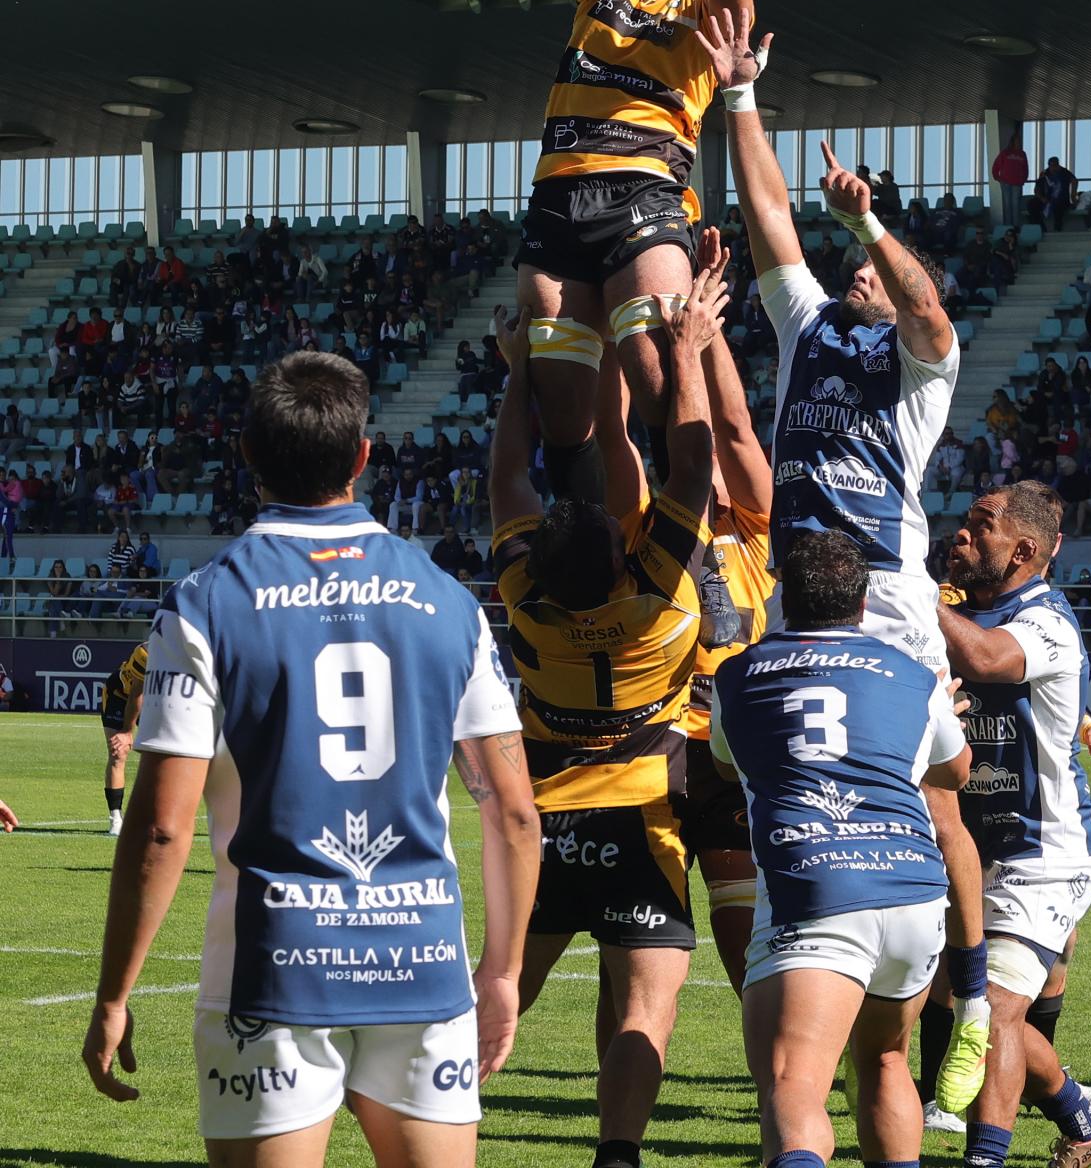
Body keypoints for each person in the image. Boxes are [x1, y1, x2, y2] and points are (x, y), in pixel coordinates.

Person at [82, 351, 540, 1166]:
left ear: (248, 457)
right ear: (364, 457)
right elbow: (510, 810)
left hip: (272, 970)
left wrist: (116, 991)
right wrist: (500, 972)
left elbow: (160, 830)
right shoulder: (448, 602)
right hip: (421, 963)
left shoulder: (205, 603)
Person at [698, 5, 990, 1115]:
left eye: (877, 274)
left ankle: (965, 1002)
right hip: (801, 596)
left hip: (889, 600)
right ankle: (815, 950)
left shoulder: (923, 370)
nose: (865, 280)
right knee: (794, 779)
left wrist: (872, 228)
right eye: (859, 268)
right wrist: (741, 98)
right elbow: (771, 216)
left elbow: (927, 305)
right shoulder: (810, 325)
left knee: (938, 803)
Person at [489, 260, 723, 1168]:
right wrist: (689, 351)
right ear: (621, 558)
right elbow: (695, 461)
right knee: (643, 1006)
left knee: (502, 986)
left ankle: (419, 1115)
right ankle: (617, 1156)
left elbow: (511, 473)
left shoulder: (525, 601)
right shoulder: (656, 601)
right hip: (641, 819)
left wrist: (519, 372)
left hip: (545, 829)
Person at [511, 0, 755, 506]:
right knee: (561, 410)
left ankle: (699, 543)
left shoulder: (709, 5)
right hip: (557, 195)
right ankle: (592, 545)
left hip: (643, 193)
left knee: (657, 374)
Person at [711, 529, 970, 1168]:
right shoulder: (914, 675)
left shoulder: (737, 675)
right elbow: (957, 772)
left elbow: (724, 763)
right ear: (861, 603)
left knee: (795, 1082)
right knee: (885, 1060)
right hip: (914, 890)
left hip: (816, 889)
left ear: (781, 596)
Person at [596, 236, 775, 1000]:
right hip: (662, 747)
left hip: (736, 750)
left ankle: (783, 1063)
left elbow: (730, 430)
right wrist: (611, 340)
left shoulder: (759, 525)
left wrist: (703, 338)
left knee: (743, 942)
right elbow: (617, 441)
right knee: (636, 956)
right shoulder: (645, 524)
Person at [936, 484, 1091, 1168]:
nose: (960, 535)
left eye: (979, 528)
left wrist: (909, 596)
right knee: (971, 1005)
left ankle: (984, 1159)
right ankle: (1084, 1121)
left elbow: (986, 661)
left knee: (997, 1013)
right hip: (974, 850)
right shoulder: (960, 608)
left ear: (1022, 551)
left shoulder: (1045, 619)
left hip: (1047, 851)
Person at [98, 641, 148, 835]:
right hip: (120, 695)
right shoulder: (145, 652)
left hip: (154, 702)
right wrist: (127, 732)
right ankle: (115, 817)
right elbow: (137, 692)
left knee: (157, 756)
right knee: (118, 753)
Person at [992, 130, 1029, 229]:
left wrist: (1023, 179)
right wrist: (998, 178)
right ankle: (1008, 226)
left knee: (1015, 204)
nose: (1018, 143)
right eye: (1016, 141)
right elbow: (996, 166)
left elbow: (1025, 168)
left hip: (1017, 183)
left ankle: (1016, 226)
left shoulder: (1022, 154)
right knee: (1007, 204)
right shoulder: (1005, 153)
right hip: (1006, 182)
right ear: (1012, 142)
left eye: (1019, 141)